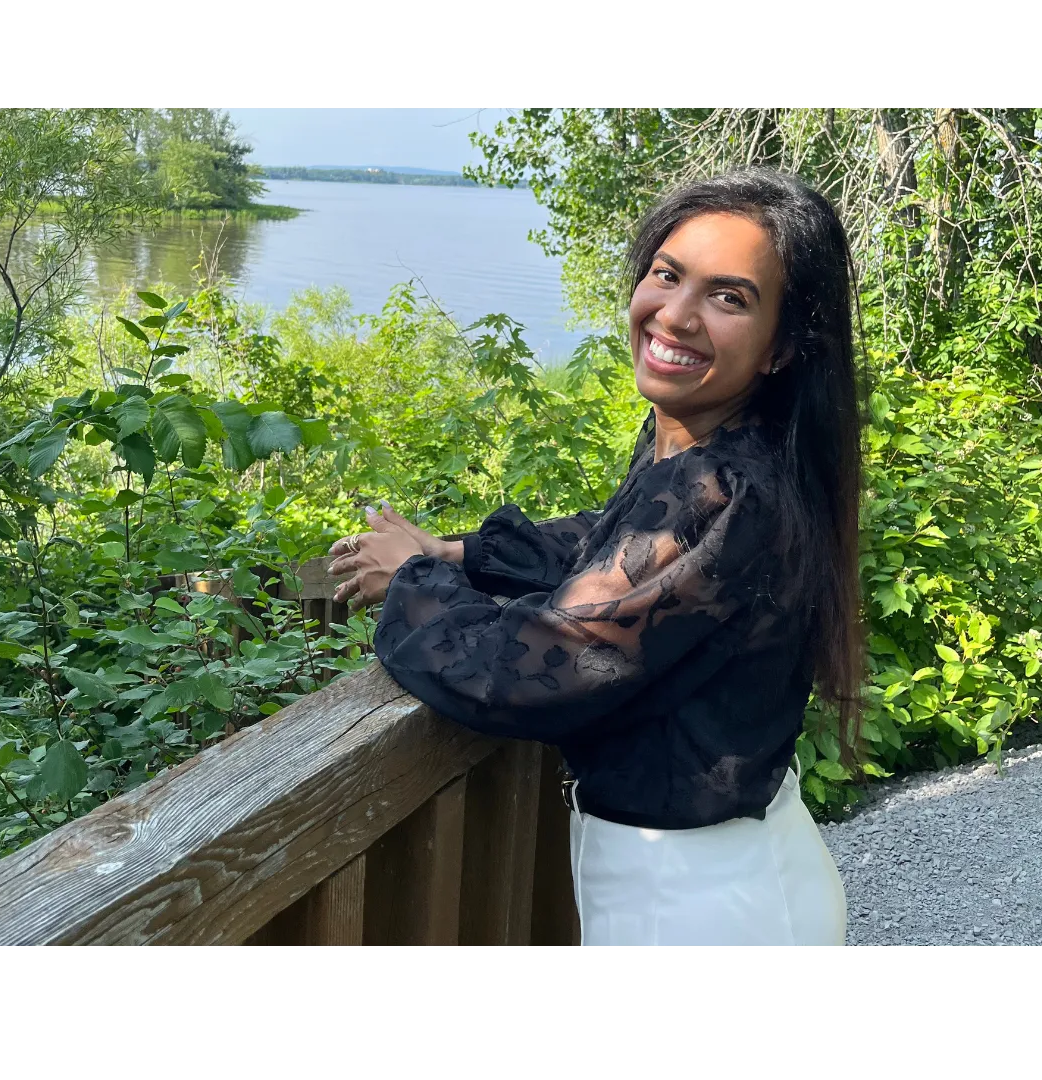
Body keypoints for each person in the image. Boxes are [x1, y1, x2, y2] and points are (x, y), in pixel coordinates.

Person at [328, 168, 864, 949]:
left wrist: (413, 577)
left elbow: (525, 675)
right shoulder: (720, 447)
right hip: (720, 880)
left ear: (782, 346)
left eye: (728, 297)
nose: (674, 315)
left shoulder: (719, 488)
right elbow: (618, 545)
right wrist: (464, 551)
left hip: (699, 907)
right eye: (667, 275)